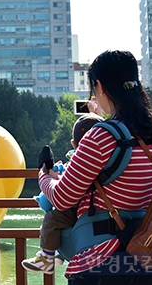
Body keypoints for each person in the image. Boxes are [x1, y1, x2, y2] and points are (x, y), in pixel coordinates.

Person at [38, 50, 152, 284]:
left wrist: (44, 177)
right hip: (149, 256)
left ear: (99, 86)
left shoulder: (101, 137)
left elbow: (62, 198)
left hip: (102, 260)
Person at [21, 112, 105, 274]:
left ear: (74, 144)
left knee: (53, 218)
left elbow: (65, 192)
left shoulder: (80, 158)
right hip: (104, 212)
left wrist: (46, 174)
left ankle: (48, 257)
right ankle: (58, 253)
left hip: (83, 210)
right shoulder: (109, 155)